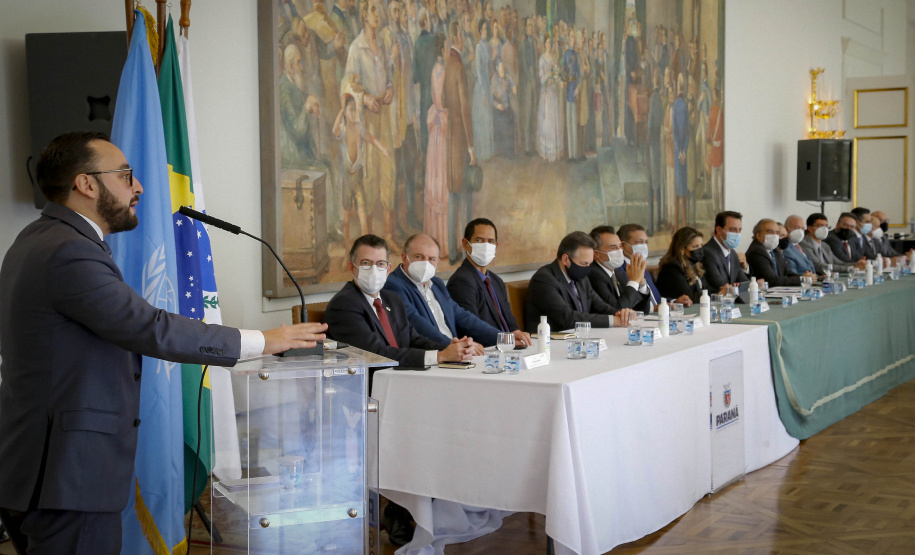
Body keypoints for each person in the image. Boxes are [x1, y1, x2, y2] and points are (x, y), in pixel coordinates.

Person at [0, 132, 327, 554]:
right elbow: (149, 327)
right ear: (85, 184)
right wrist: (264, 339)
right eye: (124, 175)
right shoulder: (68, 250)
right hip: (68, 476)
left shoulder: (36, 239)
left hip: (40, 468)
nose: (137, 187)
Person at [323, 234, 473, 369]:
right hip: (371, 387)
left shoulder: (392, 300)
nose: (374, 269)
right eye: (366, 263)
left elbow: (415, 339)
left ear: (388, 269)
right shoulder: (344, 304)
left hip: (405, 377)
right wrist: (439, 356)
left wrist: (452, 348)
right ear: (351, 267)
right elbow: (376, 354)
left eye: (380, 264)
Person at [383, 234, 505, 349]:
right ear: (405, 258)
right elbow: (416, 324)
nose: (426, 263)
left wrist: (502, 337)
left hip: (455, 353)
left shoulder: (437, 284)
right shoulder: (393, 285)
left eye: (431, 259)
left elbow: (462, 317)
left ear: (437, 262)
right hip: (431, 356)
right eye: (419, 257)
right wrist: (452, 346)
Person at [525, 231, 633, 331]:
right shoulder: (544, 279)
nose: (587, 268)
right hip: (550, 341)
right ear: (565, 259)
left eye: (589, 264)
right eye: (583, 263)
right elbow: (567, 318)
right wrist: (613, 321)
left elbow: (599, 305)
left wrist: (619, 314)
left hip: (577, 337)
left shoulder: (580, 277)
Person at [446, 218, 530, 345]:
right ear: (465, 244)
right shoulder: (461, 281)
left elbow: (510, 323)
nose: (486, 245)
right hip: (488, 351)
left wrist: (518, 335)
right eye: (479, 240)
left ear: (496, 246)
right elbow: (472, 329)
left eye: (490, 241)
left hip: (509, 347)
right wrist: (507, 341)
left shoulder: (496, 281)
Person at [333, 92, 390, 249]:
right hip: (347, 180)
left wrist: (383, 149)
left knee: (363, 220)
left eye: (354, 109)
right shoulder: (343, 129)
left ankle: (365, 253)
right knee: (346, 223)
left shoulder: (359, 128)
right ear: (345, 112)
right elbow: (334, 131)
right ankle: (347, 254)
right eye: (350, 110)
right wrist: (341, 110)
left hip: (357, 180)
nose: (353, 113)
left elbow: (371, 138)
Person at [443, 20, 476, 265]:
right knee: (464, 193)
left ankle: (454, 250)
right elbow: (465, 109)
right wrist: (472, 146)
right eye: (463, 35)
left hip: (450, 135)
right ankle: (466, 247)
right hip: (460, 138)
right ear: (458, 38)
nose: (465, 40)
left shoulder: (448, 64)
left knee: (454, 193)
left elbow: (446, 101)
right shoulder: (459, 66)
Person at [423, 33, 449, 258]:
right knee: (441, 181)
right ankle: (441, 240)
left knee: (440, 181)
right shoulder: (442, 70)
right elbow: (440, 99)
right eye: (447, 46)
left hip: (440, 126)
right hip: (442, 127)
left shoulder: (438, 68)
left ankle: (442, 238)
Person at [588, 225, 650, 313]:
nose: (619, 250)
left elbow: (642, 311)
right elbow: (616, 311)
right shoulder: (593, 275)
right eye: (613, 247)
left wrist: (641, 283)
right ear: (596, 253)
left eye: (620, 246)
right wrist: (634, 281)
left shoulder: (618, 272)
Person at [656, 226, 709, 305]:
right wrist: (707, 297)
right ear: (682, 249)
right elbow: (688, 297)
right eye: (696, 246)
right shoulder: (671, 268)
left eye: (701, 245)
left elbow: (705, 290)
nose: (700, 249)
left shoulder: (694, 264)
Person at [744, 219, 804, 286]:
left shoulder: (774, 250)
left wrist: (804, 278)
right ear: (758, 235)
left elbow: (786, 272)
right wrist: (800, 280)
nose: (775, 236)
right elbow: (771, 280)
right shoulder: (756, 251)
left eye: (777, 233)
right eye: (770, 232)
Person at [617, 223, 662, 311]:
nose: (644, 245)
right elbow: (627, 303)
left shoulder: (644, 270)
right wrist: (652, 308)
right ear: (623, 245)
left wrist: (673, 301)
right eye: (639, 242)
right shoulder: (618, 270)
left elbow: (656, 299)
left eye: (646, 242)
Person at [701, 210, 750, 291]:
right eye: (733, 229)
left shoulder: (733, 253)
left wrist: (754, 285)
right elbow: (720, 285)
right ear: (719, 230)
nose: (737, 234)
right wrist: (736, 288)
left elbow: (745, 283)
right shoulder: (708, 252)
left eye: (739, 230)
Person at [537, 33, 563, 162]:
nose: (548, 45)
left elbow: (556, 74)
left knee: (553, 121)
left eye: (550, 43)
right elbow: (541, 78)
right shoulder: (542, 59)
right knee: (546, 121)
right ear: (544, 45)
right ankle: (547, 151)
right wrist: (547, 77)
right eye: (547, 43)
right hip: (546, 94)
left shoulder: (553, 59)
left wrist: (556, 78)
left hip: (553, 93)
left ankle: (554, 151)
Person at [472, 20, 494, 162]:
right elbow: (479, 71)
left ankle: (488, 153)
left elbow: (488, 67)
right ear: (480, 31)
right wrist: (484, 93)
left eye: (487, 29)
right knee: (482, 119)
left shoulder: (487, 46)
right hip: (481, 88)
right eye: (484, 29)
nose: (486, 31)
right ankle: (481, 153)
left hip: (487, 84)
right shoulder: (479, 47)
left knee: (488, 119)